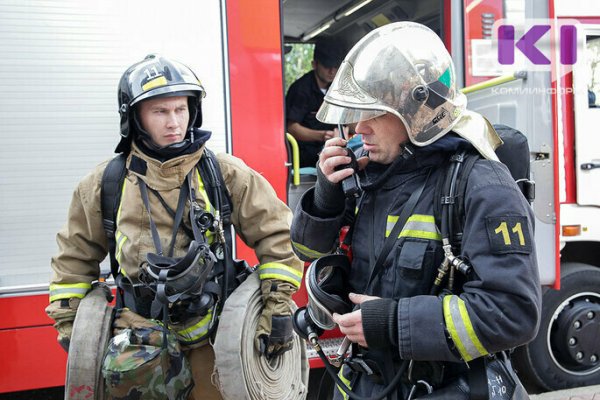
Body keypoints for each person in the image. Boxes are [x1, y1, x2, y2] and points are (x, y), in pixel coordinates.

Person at [290, 22, 541, 399]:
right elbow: (306, 254)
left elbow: (512, 313)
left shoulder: (483, 185)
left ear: (418, 109)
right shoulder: (370, 177)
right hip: (368, 383)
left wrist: (394, 323)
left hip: (444, 386)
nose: (360, 127)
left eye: (374, 113)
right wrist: (326, 197)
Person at [46, 54, 303, 400]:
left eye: (180, 110)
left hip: (213, 342)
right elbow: (73, 262)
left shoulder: (224, 174)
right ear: (134, 118)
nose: (174, 122)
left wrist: (277, 308)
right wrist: (73, 328)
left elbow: (279, 237)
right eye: (160, 112)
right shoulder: (106, 183)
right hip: (138, 350)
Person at [286, 36, 346, 168]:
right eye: (327, 66)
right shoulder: (301, 89)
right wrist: (323, 136)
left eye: (335, 66)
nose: (332, 71)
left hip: (332, 151)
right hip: (304, 157)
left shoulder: (339, 87)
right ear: (314, 64)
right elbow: (291, 128)